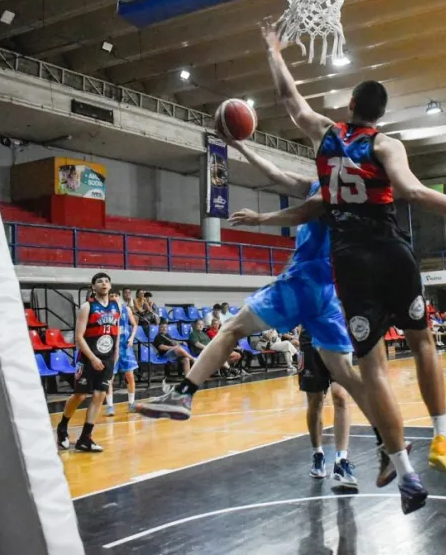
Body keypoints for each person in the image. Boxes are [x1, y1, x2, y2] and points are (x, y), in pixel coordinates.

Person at [251, 18, 446, 513]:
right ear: (380, 114)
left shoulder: (326, 135)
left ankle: (405, 473)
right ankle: (442, 434)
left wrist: (273, 49)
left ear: (351, 106)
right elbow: (415, 192)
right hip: (391, 250)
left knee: (371, 366)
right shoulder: (385, 144)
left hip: (351, 262)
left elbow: (292, 102)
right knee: (422, 341)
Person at [138, 138, 407, 496]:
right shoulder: (327, 184)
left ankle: (184, 394)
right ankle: (388, 445)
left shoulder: (333, 192)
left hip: (304, 282)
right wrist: (240, 145)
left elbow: (299, 213)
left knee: (232, 328)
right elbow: (276, 173)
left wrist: (260, 218)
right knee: (344, 373)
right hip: (325, 295)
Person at [56, 272, 120, 453]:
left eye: (107, 281)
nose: (104, 284)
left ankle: (85, 438)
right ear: (93, 287)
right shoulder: (87, 307)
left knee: (100, 396)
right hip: (88, 358)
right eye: (100, 281)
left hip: (107, 358)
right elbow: (78, 337)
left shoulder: (116, 306)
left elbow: (118, 330)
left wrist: (115, 354)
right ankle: (62, 427)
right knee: (81, 395)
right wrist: (93, 358)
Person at [300, 328, 356, 491]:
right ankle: (318, 454)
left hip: (338, 335)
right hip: (311, 338)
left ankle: (341, 460)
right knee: (315, 400)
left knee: (340, 396)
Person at [105, 289, 139, 415]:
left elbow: (135, 325)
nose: (113, 297)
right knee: (109, 378)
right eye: (111, 295)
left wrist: (131, 338)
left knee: (129, 375)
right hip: (111, 346)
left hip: (125, 346)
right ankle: (109, 406)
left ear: (119, 297)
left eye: (115, 295)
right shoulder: (105, 311)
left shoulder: (126, 309)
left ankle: (131, 403)